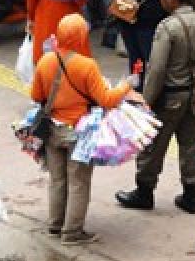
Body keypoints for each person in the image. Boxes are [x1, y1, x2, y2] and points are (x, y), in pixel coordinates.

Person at [30, 14, 142, 245]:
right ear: (81, 37)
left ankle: (55, 225)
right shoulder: (87, 66)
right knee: (78, 182)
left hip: (51, 130)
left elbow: (35, 95)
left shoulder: (46, 60)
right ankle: (72, 233)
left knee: (57, 180)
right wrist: (126, 84)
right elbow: (107, 100)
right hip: (79, 133)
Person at [117, 0, 195, 214]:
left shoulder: (167, 27)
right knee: (191, 143)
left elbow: (157, 69)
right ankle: (190, 195)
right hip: (194, 95)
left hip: (169, 96)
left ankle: (144, 192)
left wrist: (146, 102)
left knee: (153, 145)